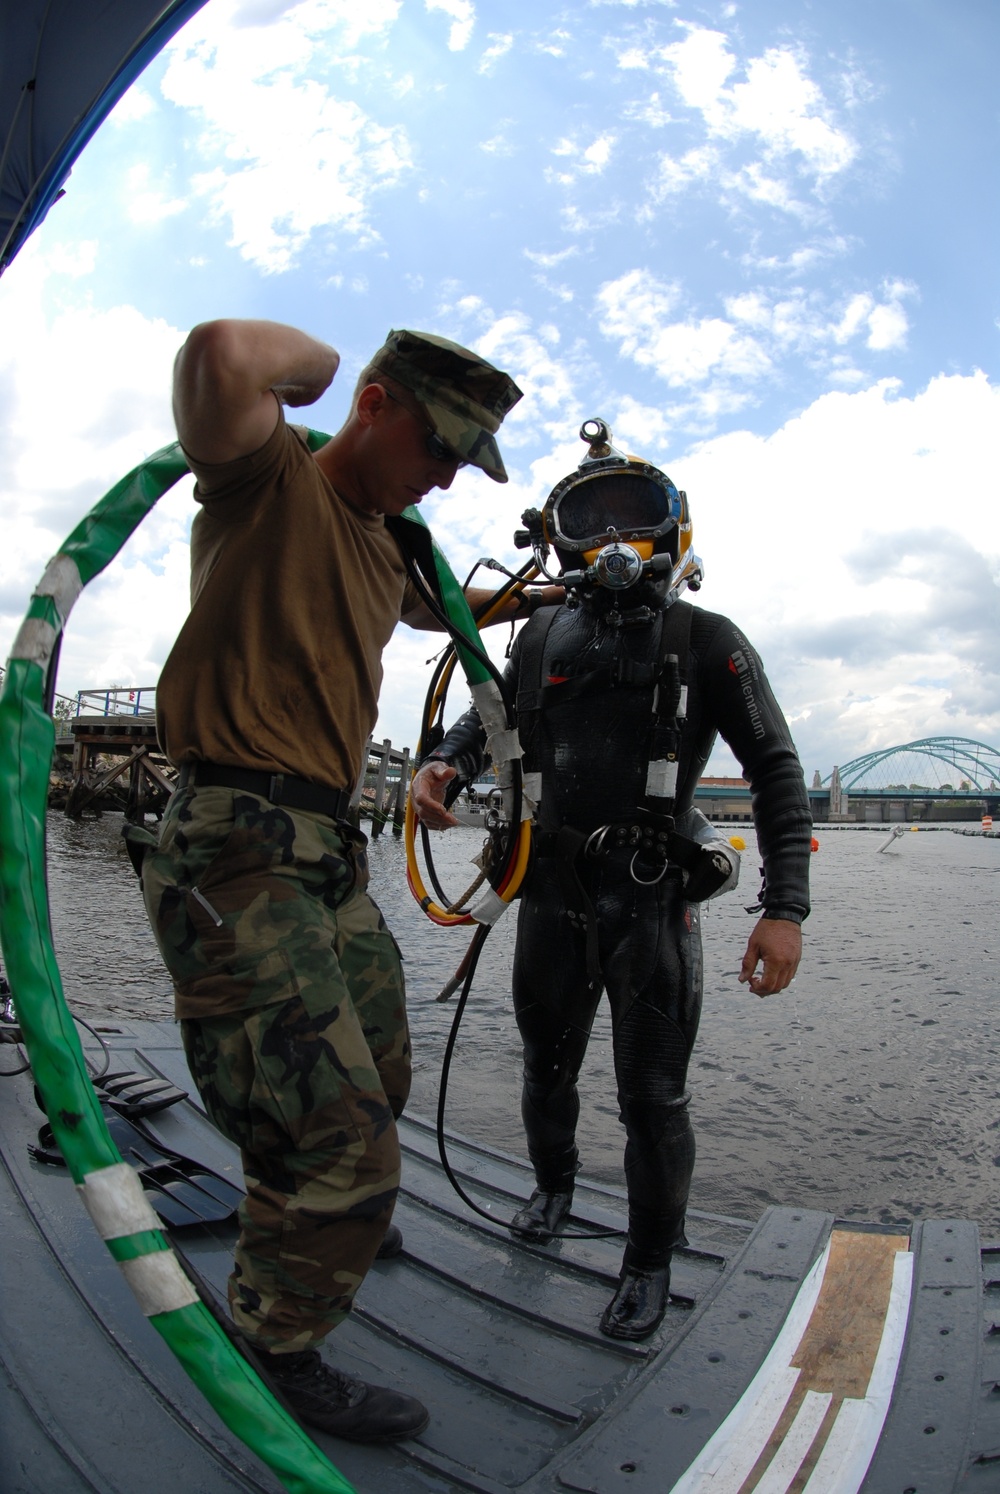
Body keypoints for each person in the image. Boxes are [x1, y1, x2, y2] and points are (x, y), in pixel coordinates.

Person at [138, 319, 554, 1442]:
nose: (443, 477)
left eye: (461, 466)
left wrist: (538, 600)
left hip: (328, 848)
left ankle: (326, 1215)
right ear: (371, 405)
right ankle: (274, 1344)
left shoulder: (387, 540)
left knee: (383, 1067)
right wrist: (341, 378)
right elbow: (223, 354)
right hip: (236, 838)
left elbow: (439, 612)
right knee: (339, 1132)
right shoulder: (267, 480)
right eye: (437, 447)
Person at [410, 418, 811, 1342]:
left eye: (637, 518)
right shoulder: (541, 633)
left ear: (675, 532)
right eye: (591, 520)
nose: (615, 540)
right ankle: (552, 1191)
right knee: (545, 1073)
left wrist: (783, 909)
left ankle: (647, 1263)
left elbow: (779, 774)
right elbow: (488, 723)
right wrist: (442, 764)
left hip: (652, 901)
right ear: (559, 538)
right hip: (548, 891)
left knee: (651, 1098)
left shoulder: (708, 639)